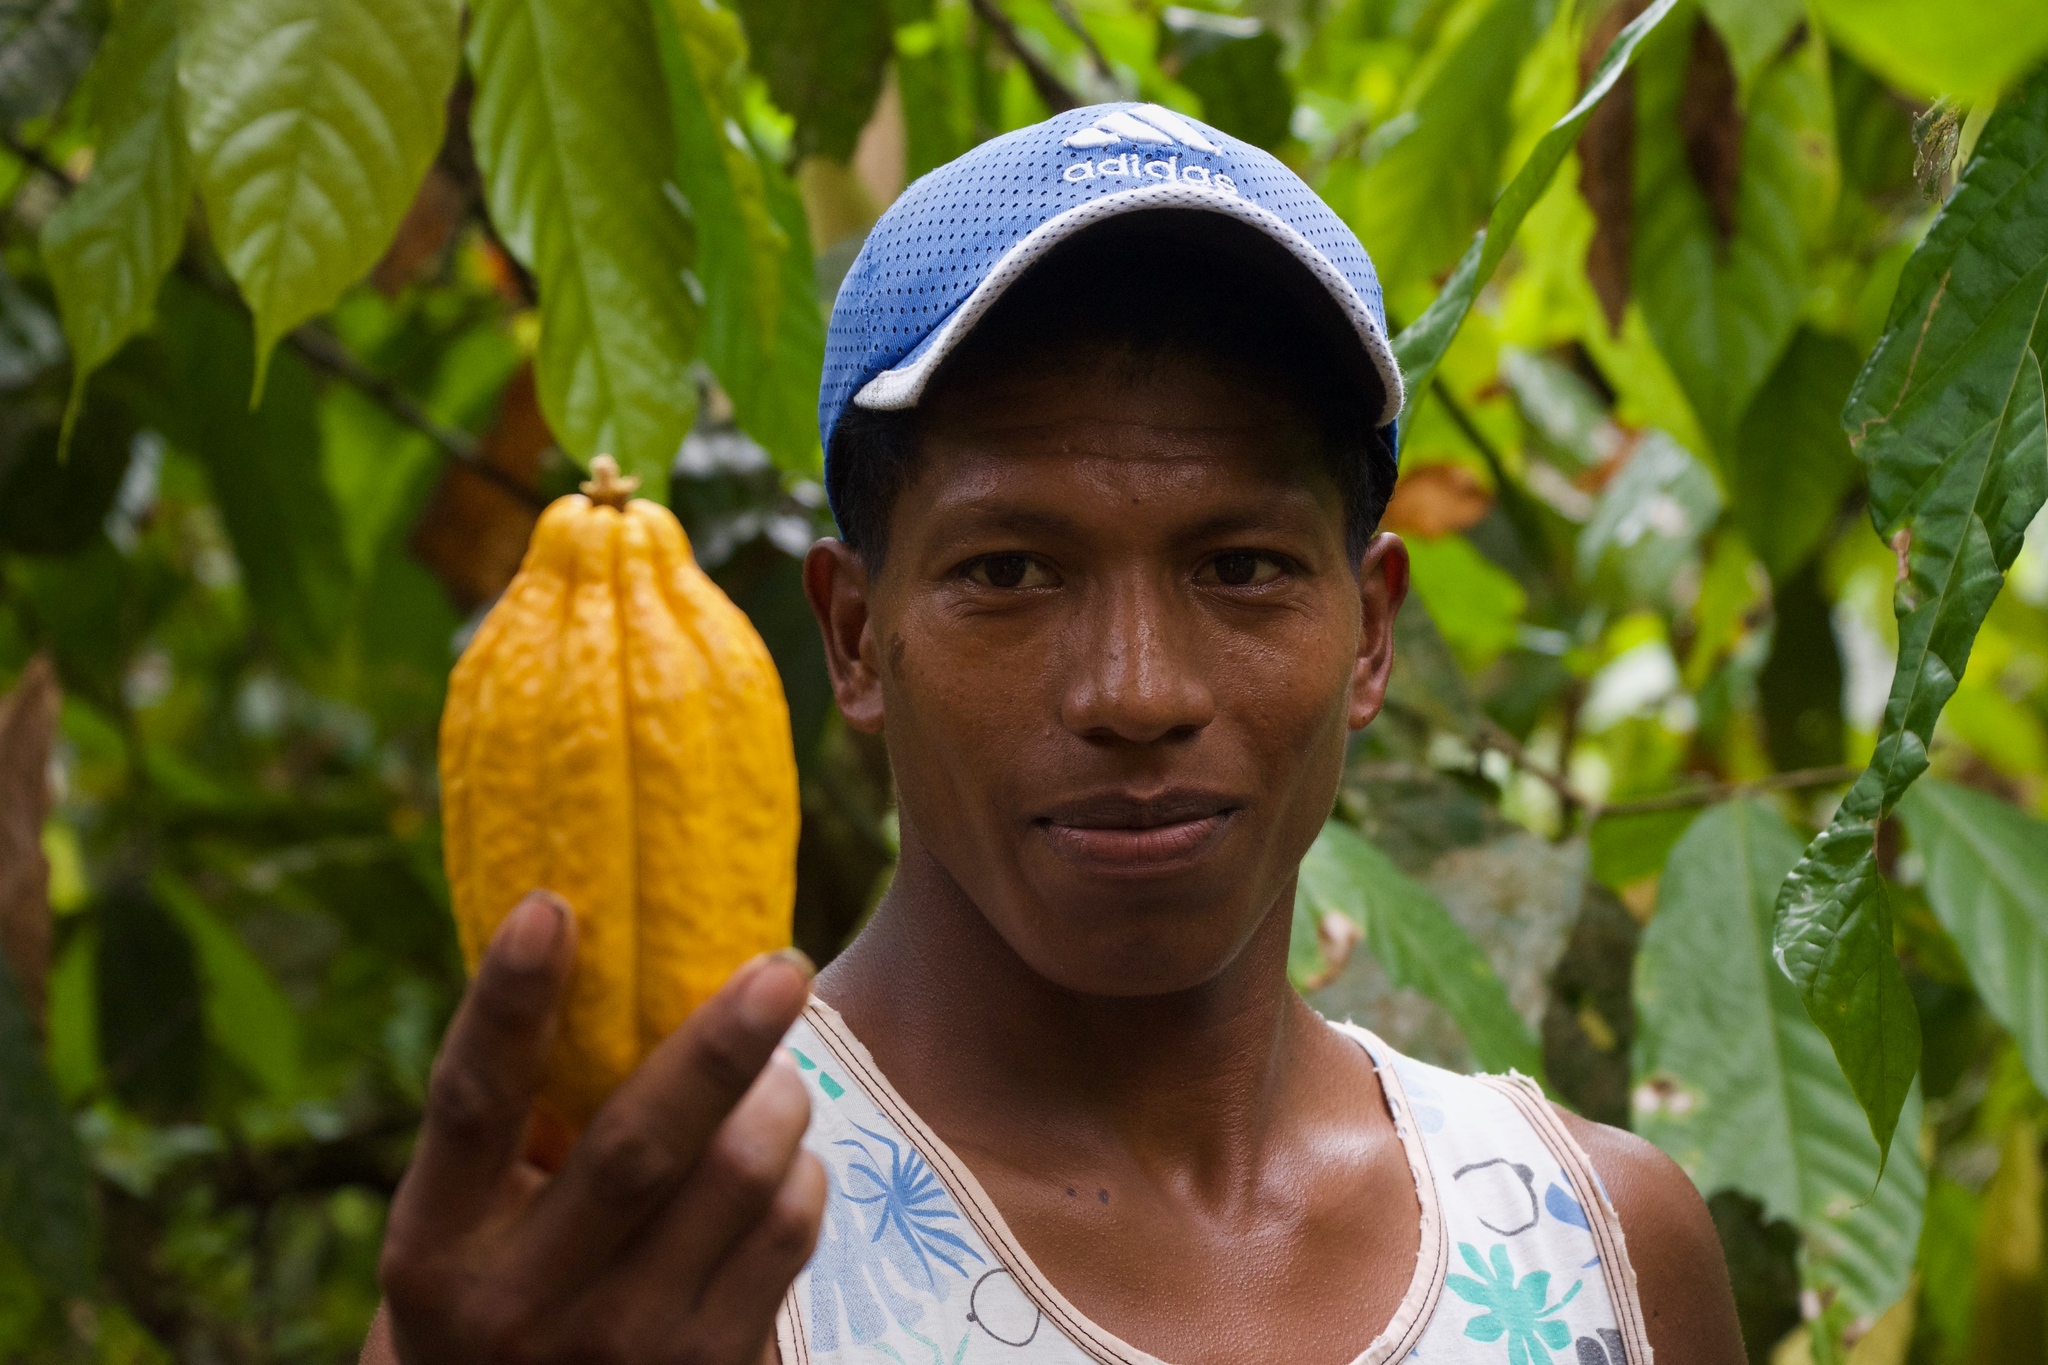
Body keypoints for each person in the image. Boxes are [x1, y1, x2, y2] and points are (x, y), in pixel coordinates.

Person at [363, 103, 1745, 1365]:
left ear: (1371, 629)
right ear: (854, 636)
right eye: (1012, 571)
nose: (1136, 691)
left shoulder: (1595, 1249)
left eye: (1242, 564)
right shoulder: (664, 1259)